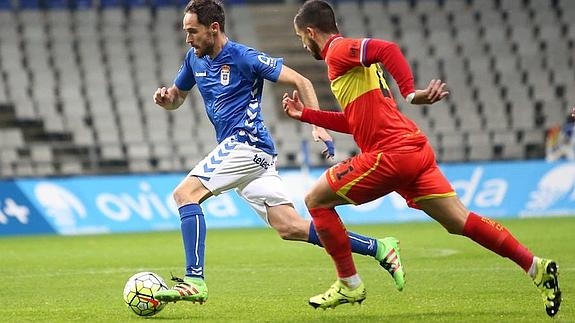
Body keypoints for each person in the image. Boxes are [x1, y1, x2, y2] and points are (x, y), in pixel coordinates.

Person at [282, 0, 561, 317]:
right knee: (460, 220)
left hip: (390, 154)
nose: (303, 46)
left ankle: (349, 282)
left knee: (316, 200)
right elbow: (354, 121)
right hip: (413, 149)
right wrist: (307, 115)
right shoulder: (353, 66)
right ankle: (535, 266)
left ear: (310, 31)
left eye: (300, 38)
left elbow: (388, 49)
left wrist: (411, 93)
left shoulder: (338, 50)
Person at [151, 0, 405, 305]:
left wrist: (317, 124)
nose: (188, 38)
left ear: (214, 28)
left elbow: (301, 80)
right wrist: (167, 99)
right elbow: (178, 97)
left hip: (245, 142)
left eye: (193, 31)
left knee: (185, 195)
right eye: (186, 32)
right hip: (253, 155)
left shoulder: (244, 57)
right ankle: (378, 248)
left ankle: (194, 280)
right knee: (290, 227)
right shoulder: (195, 59)